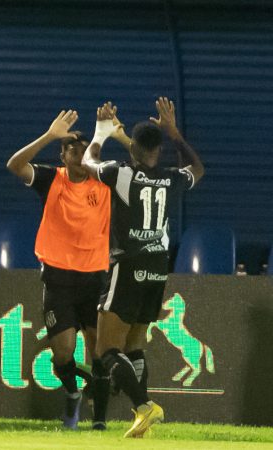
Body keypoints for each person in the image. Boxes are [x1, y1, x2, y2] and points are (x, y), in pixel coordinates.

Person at [81, 98, 204, 438]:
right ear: (160, 149)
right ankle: (142, 419)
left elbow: (88, 161)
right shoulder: (170, 178)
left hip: (127, 264)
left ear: (132, 148)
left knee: (106, 350)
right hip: (157, 268)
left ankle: (144, 406)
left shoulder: (123, 174)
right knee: (134, 346)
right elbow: (197, 169)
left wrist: (100, 132)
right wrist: (175, 133)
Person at [6, 110, 118, 429]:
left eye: (84, 149)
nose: (79, 153)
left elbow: (141, 172)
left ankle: (99, 423)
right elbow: (14, 165)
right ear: (63, 155)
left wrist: (111, 132)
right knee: (63, 354)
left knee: (100, 352)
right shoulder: (51, 179)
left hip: (96, 279)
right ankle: (73, 393)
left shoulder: (105, 182)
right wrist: (49, 134)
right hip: (58, 279)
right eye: (72, 148)